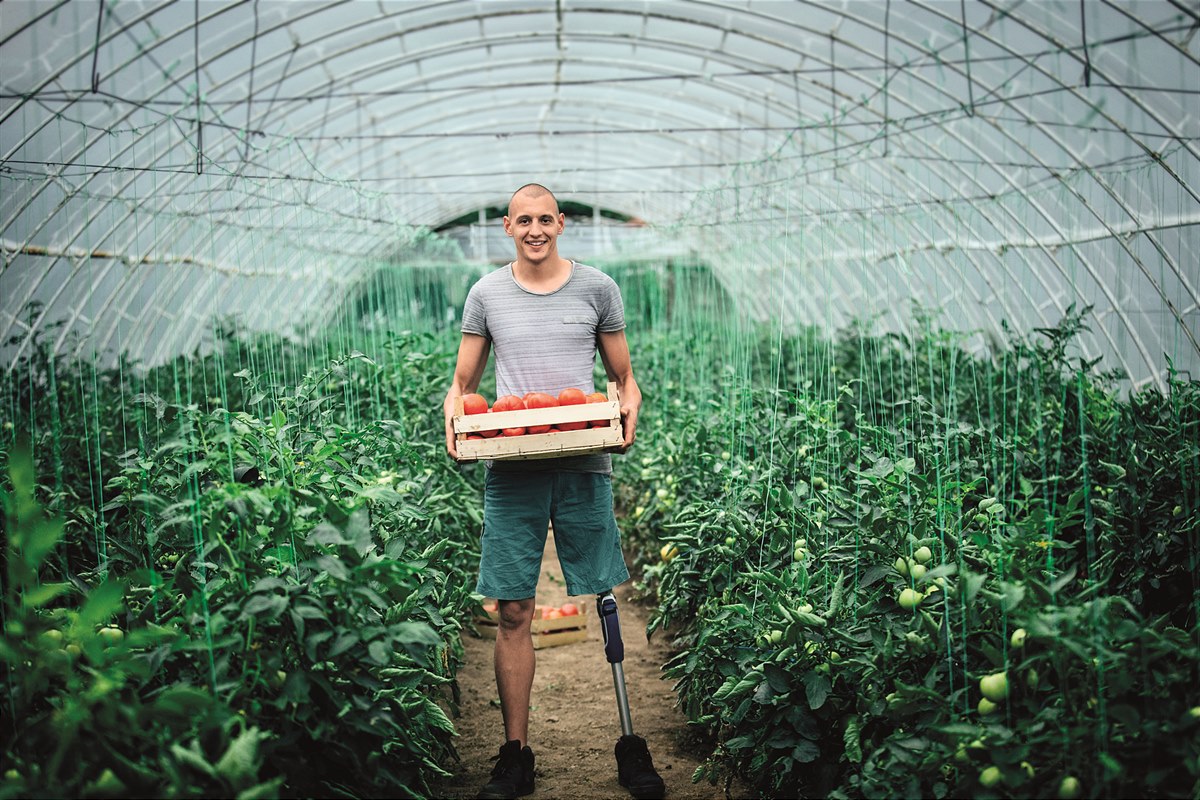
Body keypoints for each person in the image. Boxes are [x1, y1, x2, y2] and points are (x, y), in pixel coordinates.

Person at [443, 184, 665, 800]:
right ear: (507, 228)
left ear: (561, 224)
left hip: (584, 461)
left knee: (603, 593)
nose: (535, 229)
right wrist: (453, 417)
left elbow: (624, 378)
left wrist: (629, 409)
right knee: (512, 608)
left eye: (546, 219)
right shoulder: (487, 293)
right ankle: (515, 754)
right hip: (511, 465)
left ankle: (630, 743)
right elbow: (463, 381)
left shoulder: (597, 288)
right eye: (524, 221)